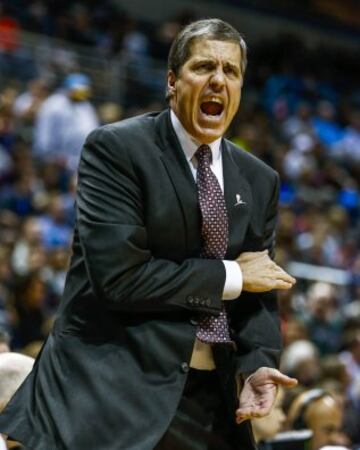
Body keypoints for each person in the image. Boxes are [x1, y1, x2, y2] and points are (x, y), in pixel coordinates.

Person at [0, 18, 297, 450]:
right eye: (203, 67)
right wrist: (231, 276)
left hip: (208, 398)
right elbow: (120, 277)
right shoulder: (117, 149)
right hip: (109, 386)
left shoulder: (259, 178)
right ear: (172, 82)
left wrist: (256, 364)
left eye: (230, 72)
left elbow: (260, 288)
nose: (218, 80)